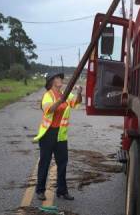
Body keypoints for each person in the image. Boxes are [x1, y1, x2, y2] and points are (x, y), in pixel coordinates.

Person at [33, 72, 82, 201]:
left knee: (62, 163)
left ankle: (62, 191)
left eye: (60, 77)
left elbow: (76, 103)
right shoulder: (47, 95)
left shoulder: (65, 95)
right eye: (58, 78)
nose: (61, 79)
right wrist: (61, 100)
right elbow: (49, 109)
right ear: (51, 82)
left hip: (61, 135)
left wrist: (79, 93)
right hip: (48, 134)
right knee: (45, 163)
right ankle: (40, 191)